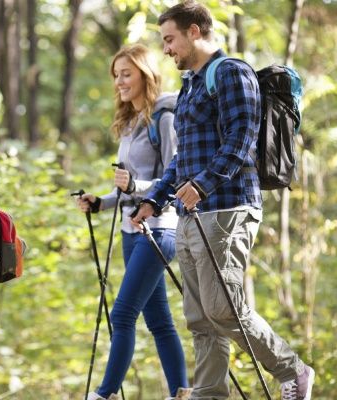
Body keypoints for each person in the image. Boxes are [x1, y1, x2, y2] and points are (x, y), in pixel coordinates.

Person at [132, 2, 314, 399]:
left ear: (194, 31)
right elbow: (183, 158)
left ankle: (293, 369)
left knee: (224, 309)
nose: (166, 49)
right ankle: (209, 395)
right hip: (190, 213)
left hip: (228, 207)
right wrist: (154, 199)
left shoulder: (231, 72)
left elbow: (242, 136)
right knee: (200, 319)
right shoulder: (191, 85)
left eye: (170, 39)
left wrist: (204, 184)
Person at [78, 44, 191, 400]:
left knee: (123, 314)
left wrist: (136, 186)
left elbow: (174, 178)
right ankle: (181, 393)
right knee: (159, 322)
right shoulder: (129, 123)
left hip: (161, 229)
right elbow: (129, 186)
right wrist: (101, 203)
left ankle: (103, 394)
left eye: (126, 74)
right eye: (116, 76)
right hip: (131, 229)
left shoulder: (165, 117)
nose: (119, 82)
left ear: (145, 73)